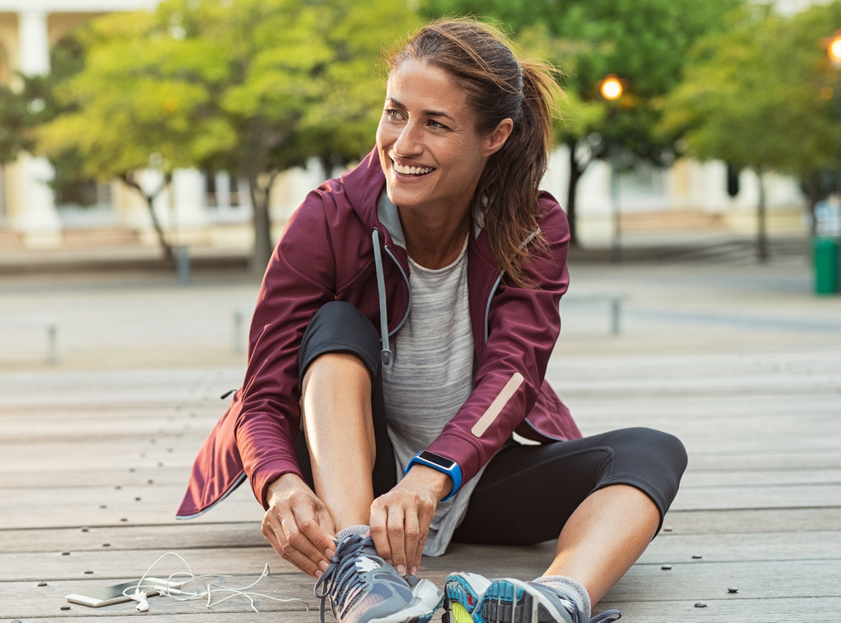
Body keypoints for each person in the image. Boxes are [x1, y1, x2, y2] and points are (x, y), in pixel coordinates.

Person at [177, 17, 687, 623]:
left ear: (494, 136)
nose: (402, 143)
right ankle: (359, 567)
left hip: (471, 478)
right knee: (337, 325)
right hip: (358, 487)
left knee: (653, 452)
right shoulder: (327, 218)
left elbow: (514, 376)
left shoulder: (532, 227)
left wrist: (433, 475)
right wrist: (280, 483)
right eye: (395, 112)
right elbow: (262, 395)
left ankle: (557, 601)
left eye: (435, 124)